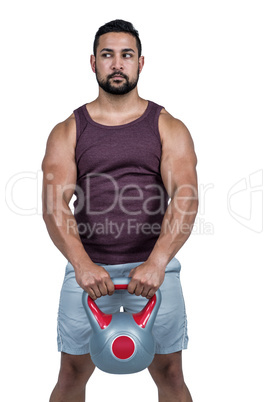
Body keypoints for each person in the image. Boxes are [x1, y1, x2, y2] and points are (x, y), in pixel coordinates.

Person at [42, 19, 198, 402]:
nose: (117, 63)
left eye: (126, 55)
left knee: (171, 373)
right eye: (107, 55)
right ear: (92, 63)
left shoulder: (168, 127)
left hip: (155, 273)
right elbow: (54, 204)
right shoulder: (69, 130)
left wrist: (158, 262)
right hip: (89, 273)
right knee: (71, 373)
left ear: (140, 63)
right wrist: (82, 265)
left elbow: (185, 196)